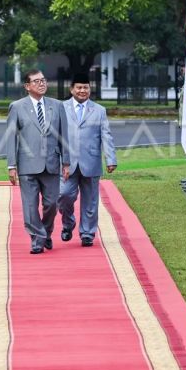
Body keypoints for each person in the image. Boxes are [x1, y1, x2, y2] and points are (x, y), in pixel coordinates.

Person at [6, 69, 70, 254]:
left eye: (43, 80)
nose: (41, 84)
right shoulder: (17, 107)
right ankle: (37, 239)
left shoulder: (57, 106)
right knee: (30, 205)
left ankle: (45, 232)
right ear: (27, 86)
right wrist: (12, 166)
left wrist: (66, 162)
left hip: (51, 164)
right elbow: (11, 138)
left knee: (51, 204)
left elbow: (64, 136)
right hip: (27, 165)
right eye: (36, 81)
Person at [58, 74, 117, 247]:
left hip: (91, 162)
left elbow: (106, 136)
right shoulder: (61, 108)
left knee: (90, 201)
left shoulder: (99, 110)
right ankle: (68, 223)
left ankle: (87, 234)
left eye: (86, 87)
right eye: (79, 87)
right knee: (63, 196)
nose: (82, 91)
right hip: (66, 163)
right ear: (72, 89)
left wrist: (110, 158)